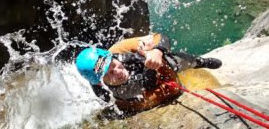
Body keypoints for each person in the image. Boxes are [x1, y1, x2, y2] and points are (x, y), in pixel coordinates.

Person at [75, 33, 222, 111]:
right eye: (109, 75)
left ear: (112, 57)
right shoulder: (117, 91)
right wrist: (152, 72)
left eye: (114, 66)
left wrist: (157, 51)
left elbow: (160, 36)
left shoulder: (117, 51)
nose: (117, 73)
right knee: (154, 77)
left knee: (170, 57)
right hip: (136, 87)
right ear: (102, 82)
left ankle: (199, 62)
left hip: (136, 61)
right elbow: (149, 89)